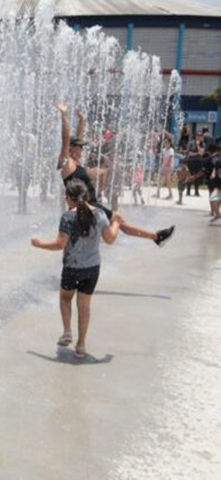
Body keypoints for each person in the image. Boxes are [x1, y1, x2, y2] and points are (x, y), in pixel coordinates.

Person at [55, 102, 175, 247]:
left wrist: (81, 120)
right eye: (80, 147)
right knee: (115, 225)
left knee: (117, 224)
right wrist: (64, 116)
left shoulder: (76, 162)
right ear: (72, 149)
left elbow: (76, 138)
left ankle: (156, 237)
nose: (83, 149)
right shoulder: (67, 164)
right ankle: (156, 237)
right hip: (86, 207)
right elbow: (66, 140)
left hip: (92, 205)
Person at [31, 180, 120, 358]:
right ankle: (81, 346)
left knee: (65, 299)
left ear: (70, 198)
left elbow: (59, 244)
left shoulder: (67, 217)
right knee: (84, 307)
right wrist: (116, 222)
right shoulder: (100, 214)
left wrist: (39, 244)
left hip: (72, 267)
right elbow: (110, 239)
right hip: (92, 268)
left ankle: (67, 331)